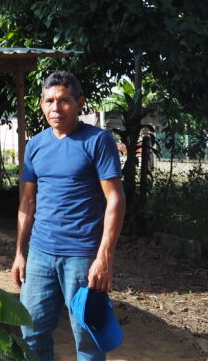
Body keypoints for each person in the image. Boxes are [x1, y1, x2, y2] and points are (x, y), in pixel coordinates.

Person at [11, 71, 126, 361]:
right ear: (40, 104)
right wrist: (20, 253)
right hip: (39, 254)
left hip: (82, 255)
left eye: (63, 100)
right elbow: (27, 203)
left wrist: (104, 257)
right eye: (49, 101)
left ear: (79, 103)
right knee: (32, 331)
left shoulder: (98, 141)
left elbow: (115, 198)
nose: (55, 107)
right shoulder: (35, 145)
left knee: (87, 337)